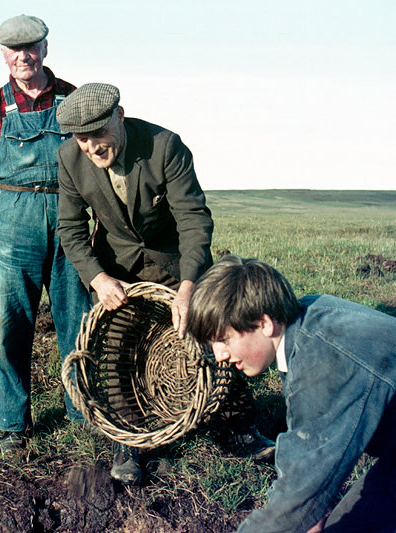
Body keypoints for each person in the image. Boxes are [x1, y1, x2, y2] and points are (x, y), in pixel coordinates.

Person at [55, 83, 275, 485]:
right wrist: (98, 278)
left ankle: (239, 428)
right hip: (115, 270)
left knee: (214, 334)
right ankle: (130, 445)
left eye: (97, 135)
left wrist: (191, 284)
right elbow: (70, 229)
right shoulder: (69, 159)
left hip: (176, 263)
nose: (90, 147)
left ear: (119, 117)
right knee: (116, 352)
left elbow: (193, 218)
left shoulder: (164, 146)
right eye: (81, 139)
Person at [186, 255, 396, 532]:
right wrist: (307, 508)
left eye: (224, 339)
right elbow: (305, 447)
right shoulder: (302, 323)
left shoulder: (325, 358)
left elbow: (300, 494)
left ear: (264, 323)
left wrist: (303, 505)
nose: (219, 355)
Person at [0, 14, 91, 453]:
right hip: (11, 225)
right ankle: (13, 423)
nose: (23, 56)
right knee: (9, 324)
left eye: (31, 47)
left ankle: (81, 410)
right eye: (14, 50)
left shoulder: (73, 99)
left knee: (79, 321)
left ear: (45, 48)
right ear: (3, 55)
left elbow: (99, 166)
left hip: (69, 219)